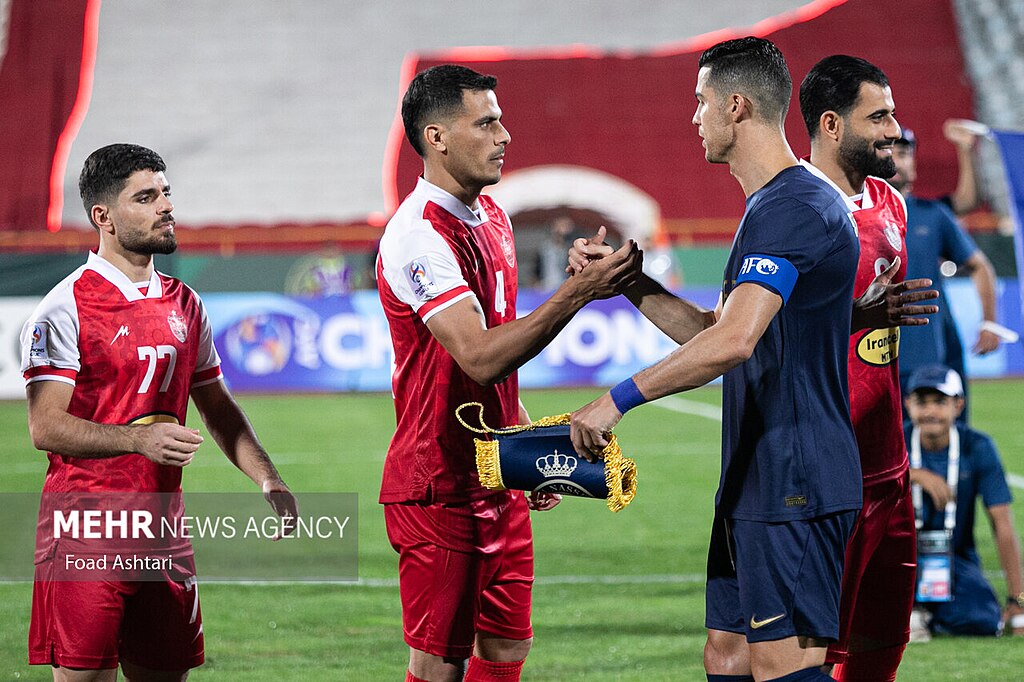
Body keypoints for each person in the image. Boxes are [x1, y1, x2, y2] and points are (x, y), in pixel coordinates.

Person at [569, 37, 862, 681]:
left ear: (735, 107)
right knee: (726, 655)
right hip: (758, 473)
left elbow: (734, 342)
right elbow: (713, 328)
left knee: (785, 666)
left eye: (699, 101)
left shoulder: (796, 207)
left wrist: (616, 399)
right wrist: (632, 285)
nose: (692, 116)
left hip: (798, 477)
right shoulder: (766, 208)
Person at [376, 64, 640, 682]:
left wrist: (528, 453)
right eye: (487, 121)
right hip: (438, 485)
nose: (505, 135)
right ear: (436, 137)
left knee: (504, 651)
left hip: (494, 478)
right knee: (438, 665)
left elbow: (495, 368)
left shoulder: (492, 217)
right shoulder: (418, 236)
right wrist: (577, 293)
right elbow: (480, 355)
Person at [20, 143, 297, 680]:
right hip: (85, 532)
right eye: (145, 198)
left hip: (163, 532)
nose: (165, 206)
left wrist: (268, 478)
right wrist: (135, 440)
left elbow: (218, 407)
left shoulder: (186, 303)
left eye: (165, 193)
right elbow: (45, 426)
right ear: (104, 218)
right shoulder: (64, 307)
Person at [798, 55, 941, 681]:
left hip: (890, 464)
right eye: (878, 116)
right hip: (830, 476)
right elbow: (748, 334)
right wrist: (855, 315)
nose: (894, 130)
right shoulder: (790, 212)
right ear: (832, 125)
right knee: (819, 653)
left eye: (893, 113)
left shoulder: (889, 200)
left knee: (884, 642)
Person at [904, 364, 1024, 639]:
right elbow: (861, 486)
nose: (931, 411)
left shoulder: (978, 446)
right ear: (907, 403)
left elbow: (1002, 523)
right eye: (922, 402)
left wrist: (1018, 601)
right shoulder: (893, 443)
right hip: (896, 559)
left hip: (954, 558)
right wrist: (912, 473)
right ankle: (913, 611)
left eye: (940, 402)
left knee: (983, 622)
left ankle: (924, 614)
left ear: (958, 405)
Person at [889, 127, 1000, 419]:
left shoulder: (933, 214)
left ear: (914, 163)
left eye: (904, 153)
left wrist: (989, 321)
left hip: (929, 356)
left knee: (942, 446)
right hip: (871, 356)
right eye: (889, 152)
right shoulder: (854, 212)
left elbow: (980, 264)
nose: (897, 160)